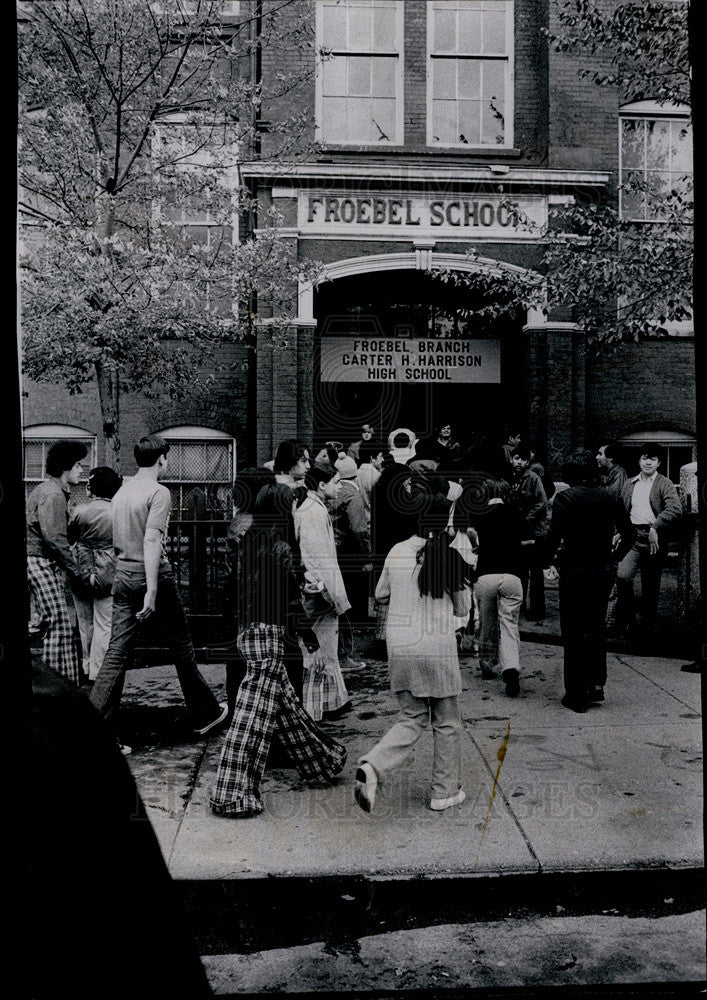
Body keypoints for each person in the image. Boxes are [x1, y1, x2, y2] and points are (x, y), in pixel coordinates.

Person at [210, 484, 347, 818]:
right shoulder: (282, 547)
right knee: (250, 720)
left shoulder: (249, 542)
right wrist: (306, 630)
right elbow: (287, 600)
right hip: (270, 634)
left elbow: (237, 589)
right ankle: (229, 792)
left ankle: (321, 762)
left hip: (248, 630)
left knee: (286, 709)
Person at [90, 435, 228, 753]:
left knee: (115, 654)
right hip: (153, 578)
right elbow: (152, 541)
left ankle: (94, 729)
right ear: (162, 460)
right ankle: (204, 714)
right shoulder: (158, 491)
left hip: (122, 576)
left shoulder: (123, 491)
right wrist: (152, 590)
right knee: (181, 646)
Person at [354, 494, 471, 814]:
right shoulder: (450, 557)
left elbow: (380, 594)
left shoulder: (396, 550)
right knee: (446, 720)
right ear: (443, 522)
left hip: (400, 647)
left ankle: (374, 766)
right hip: (436, 647)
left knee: (412, 716)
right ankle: (444, 790)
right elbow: (462, 608)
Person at [550, 450, 634, 711]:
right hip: (602, 568)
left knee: (574, 630)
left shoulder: (565, 498)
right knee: (596, 626)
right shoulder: (610, 496)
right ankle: (596, 683)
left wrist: (549, 559)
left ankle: (575, 693)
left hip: (575, 568)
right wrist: (615, 556)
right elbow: (629, 533)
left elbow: (554, 536)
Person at [293, 462, 352, 720]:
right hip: (320, 591)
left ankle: (331, 702)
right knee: (319, 651)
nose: (339, 488)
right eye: (336, 482)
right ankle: (316, 708)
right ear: (321, 485)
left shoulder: (312, 508)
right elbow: (318, 559)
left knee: (325, 649)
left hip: (319, 588)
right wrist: (333, 596)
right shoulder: (313, 512)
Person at [26, 439, 88, 685]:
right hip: (40, 561)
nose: (82, 471)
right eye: (78, 466)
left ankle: (62, 684)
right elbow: (54, 539)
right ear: (66, 468)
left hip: (41, 560)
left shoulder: (48, 491)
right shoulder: (53, 494)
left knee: (56, 624)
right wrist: (76, 570)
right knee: (58, 625)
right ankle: (53, 688)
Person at [614, 444, 682, 638]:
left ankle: (647, 628)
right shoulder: (629, 483)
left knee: (650, 585)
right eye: (645, 458)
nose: (648, 462)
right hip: (633, 537)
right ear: (639, 460)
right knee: (623, 576)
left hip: (654, 540)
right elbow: (620, 510)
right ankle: (628, 621)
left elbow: (675, 509)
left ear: (659, 462)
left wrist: (655, 527)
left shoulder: (664, 483)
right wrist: (619, 531)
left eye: (652, 459)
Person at [68, 465, 123, 683]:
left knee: (85, 623)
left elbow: (70, 538)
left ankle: (85, 665)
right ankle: (98, 673)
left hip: (80, 571)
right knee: (104, 623)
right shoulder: (118, 511)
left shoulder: (80, 511)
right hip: (107, 571)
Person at [471, 481, 524, 698]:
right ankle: (510, 666)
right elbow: (525, 540)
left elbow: (471, 533)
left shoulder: (480, 513)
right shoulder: (516, 513)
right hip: (512, 576)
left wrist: (477, 545)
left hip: (486, 575)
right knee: (509, 623)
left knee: (487, 622)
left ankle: (487, 663)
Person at [509, 444, 550, 620]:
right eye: (516, 458)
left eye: (523, 459)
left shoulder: (533, 478)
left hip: (535, 531)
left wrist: (527, 518)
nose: (519, 462)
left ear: (528, 461)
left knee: (536, 572)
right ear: (511, 459)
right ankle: (521, 607)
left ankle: (538, 610)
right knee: (519, 571)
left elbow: (542, 502)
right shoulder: (510, 478)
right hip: (518, 531)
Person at [356, 440, 386, 527]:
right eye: (381, 456)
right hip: (373, 519)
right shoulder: (377, 476)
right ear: (372, 458)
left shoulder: (356, 473)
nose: (383, 459)